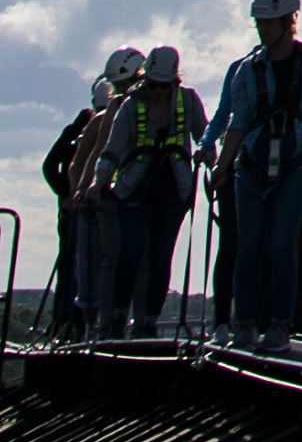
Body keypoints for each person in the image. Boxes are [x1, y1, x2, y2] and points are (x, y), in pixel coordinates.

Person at [205, 0, 302, 352]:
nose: (262, 30)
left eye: (269, 23)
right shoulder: (247, 69)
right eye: (259, 23)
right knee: (247, 247)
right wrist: (222, 167)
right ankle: (244, 325)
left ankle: (279, 325)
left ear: (289, 22)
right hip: (253, 163)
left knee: (279, 244)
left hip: (300, 161)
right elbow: (237, 121)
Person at [114, 40, 203, 336]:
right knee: (131, 251)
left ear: (173, 83)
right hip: (134, 189)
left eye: (162, 87)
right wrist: (98, 182)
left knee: (161, 255)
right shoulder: (130, 105)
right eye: (151, 85)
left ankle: (148, 322)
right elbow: (112, 150)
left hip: (173, 190)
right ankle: (117, 318)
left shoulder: (188, 101)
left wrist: (214, 163)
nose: (156, 92)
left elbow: (204, 136)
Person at [38, 67, 123, 339]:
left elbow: (52, 166)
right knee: (76, 269)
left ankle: (74, 325)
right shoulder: (85, 128)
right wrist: (67, 197)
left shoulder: (87, 127)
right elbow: (52, 166)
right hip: (78, 212)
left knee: (81, 269)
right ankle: (68, 324)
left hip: (88, 208)